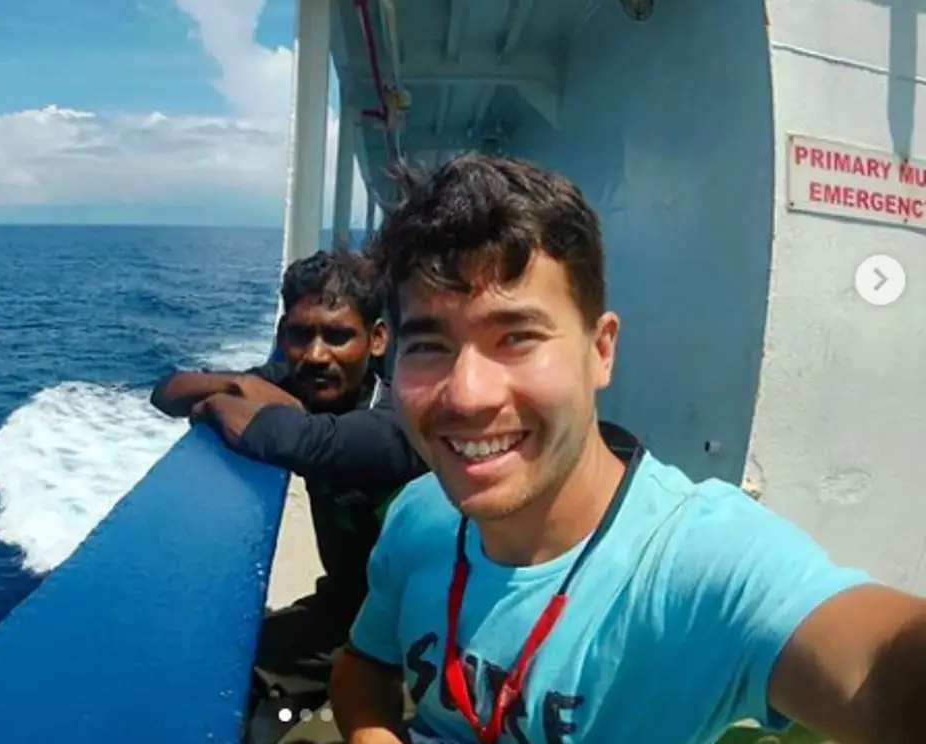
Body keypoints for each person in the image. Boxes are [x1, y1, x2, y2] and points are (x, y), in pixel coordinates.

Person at [330, 153, 926, 744]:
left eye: (516, 337)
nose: (467, 394)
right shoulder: (421, 512)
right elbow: (367, 666)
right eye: (428, 346)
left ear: (601, 350)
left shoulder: (699, 562)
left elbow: (878, 670)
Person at [149, 248, 428, 741]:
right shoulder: (302, 382)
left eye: (339, 335)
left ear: (378, 339)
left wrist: (221, 403)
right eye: (301, 335)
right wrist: (235, 383)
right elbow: (167, 391)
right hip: (344, 608)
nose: (317, 354)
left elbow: (300, 440)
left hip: (417, 640)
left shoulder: (399, 424)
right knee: (208, 666)